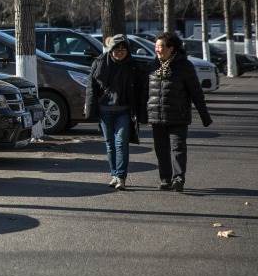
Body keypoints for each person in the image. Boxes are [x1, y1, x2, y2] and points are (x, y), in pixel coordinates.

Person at [148, 32, 213, 192]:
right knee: (161, 149)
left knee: (178, 148)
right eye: (156, 46)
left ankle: (178, 179)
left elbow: (196, 92)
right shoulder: (152, 66)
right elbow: (145, 92)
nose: (157, 50)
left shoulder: (185, 66)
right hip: (157, 116)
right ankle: (165, 179)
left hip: (178, 116)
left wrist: (205, 115)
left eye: (161, 46)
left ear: (172, 48)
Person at [85, 34, 147, 190]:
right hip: (104, 111)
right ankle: (114, 174)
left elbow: (141, 90)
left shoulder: (133, 66)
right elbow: (91, 88)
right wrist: (90, 108)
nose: (120, 52)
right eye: (116, 49)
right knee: (110, 145)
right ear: (110, 50)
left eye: (123, 49)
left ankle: (121, 176)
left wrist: (141, 111)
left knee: (121, 143)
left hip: (124, 111)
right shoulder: (99, 63)